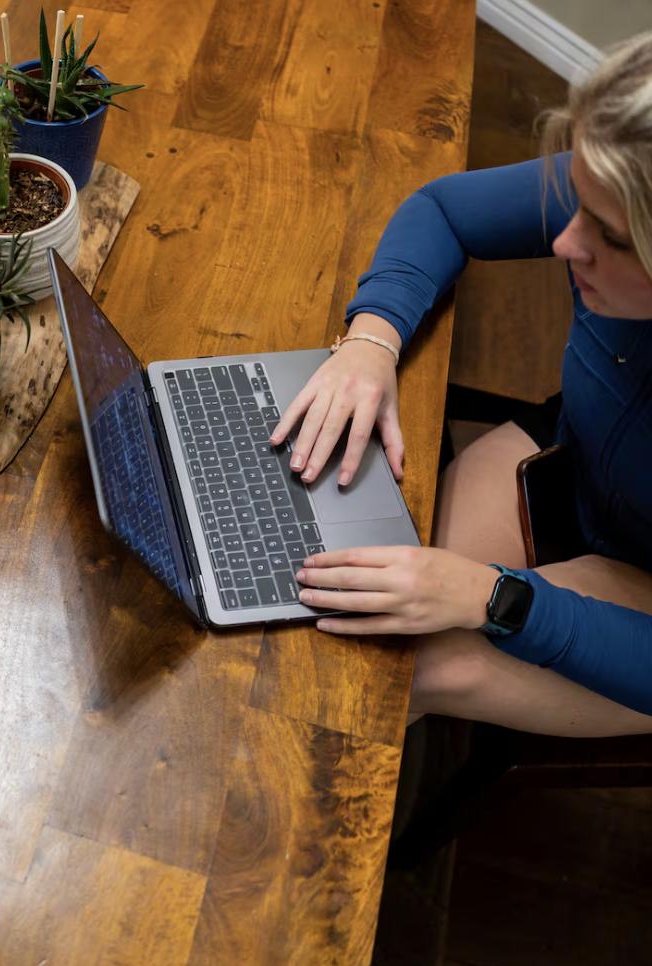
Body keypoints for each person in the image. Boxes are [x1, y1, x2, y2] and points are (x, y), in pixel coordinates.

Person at [271, 33, 652, 736]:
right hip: (575, 458)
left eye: (609, 236)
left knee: (408, 671)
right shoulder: (626, 184)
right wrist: (371, 339)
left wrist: (496, 598)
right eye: (575, 202)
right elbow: (444, 210)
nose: (566, 245)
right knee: (345, 596)